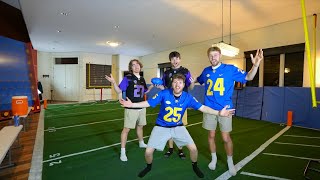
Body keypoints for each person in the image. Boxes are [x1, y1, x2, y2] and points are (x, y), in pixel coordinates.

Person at [120, 74, 235, 178]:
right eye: (175, 82)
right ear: (172, 84)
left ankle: (194, 166)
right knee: (148, 152)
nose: (177, 84)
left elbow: (203, 108)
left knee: (194, 149)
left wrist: (218, 113)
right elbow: (148, 103)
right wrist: (133, 104)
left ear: (184, 84)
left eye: (180, 82)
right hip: (161, 127)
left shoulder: (187, 97)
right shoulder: (164, 93)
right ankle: (148, 166)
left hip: (178, 126)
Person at [196, 46, 263, 176]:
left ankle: (230, 161)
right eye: (211, 55)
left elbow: (248, 77)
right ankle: (214, 158)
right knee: (211, 136)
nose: (213, 58)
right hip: (209, 109)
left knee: (226, 138)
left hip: (225, 109)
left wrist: (255, 66)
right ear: (208, 57)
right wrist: (189, 81)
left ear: (220, 55)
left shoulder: (230, 69)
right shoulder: (206, 71)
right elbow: (198, 80)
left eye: (215, 55)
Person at [105, 59, 152, 162]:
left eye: (137, 64)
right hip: (131, 108)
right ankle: (123, 151)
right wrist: (113, 82)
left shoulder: (143, 79)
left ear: (140, 65)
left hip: (141, 107)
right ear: (131, 68)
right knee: (126, 130)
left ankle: (141, 142)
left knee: (140, 126)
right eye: (133, 65)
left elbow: (144, 91)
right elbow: (119, 90)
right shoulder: (128, 78)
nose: (136, 66)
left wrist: (152, 86)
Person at [156, 51, 194, 159]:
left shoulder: (185, 71)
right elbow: (165, 89)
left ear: (180, 59)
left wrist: (191, 83)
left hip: (181, 103)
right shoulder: (166, 73)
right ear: (170, 60)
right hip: (168, 104)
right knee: (169, 127)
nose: (175, 61)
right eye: (173, 59)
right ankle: (170, 148)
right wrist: (159, 87)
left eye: (177, 58)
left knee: (180, 127)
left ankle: (180, 149)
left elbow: (190, 88)